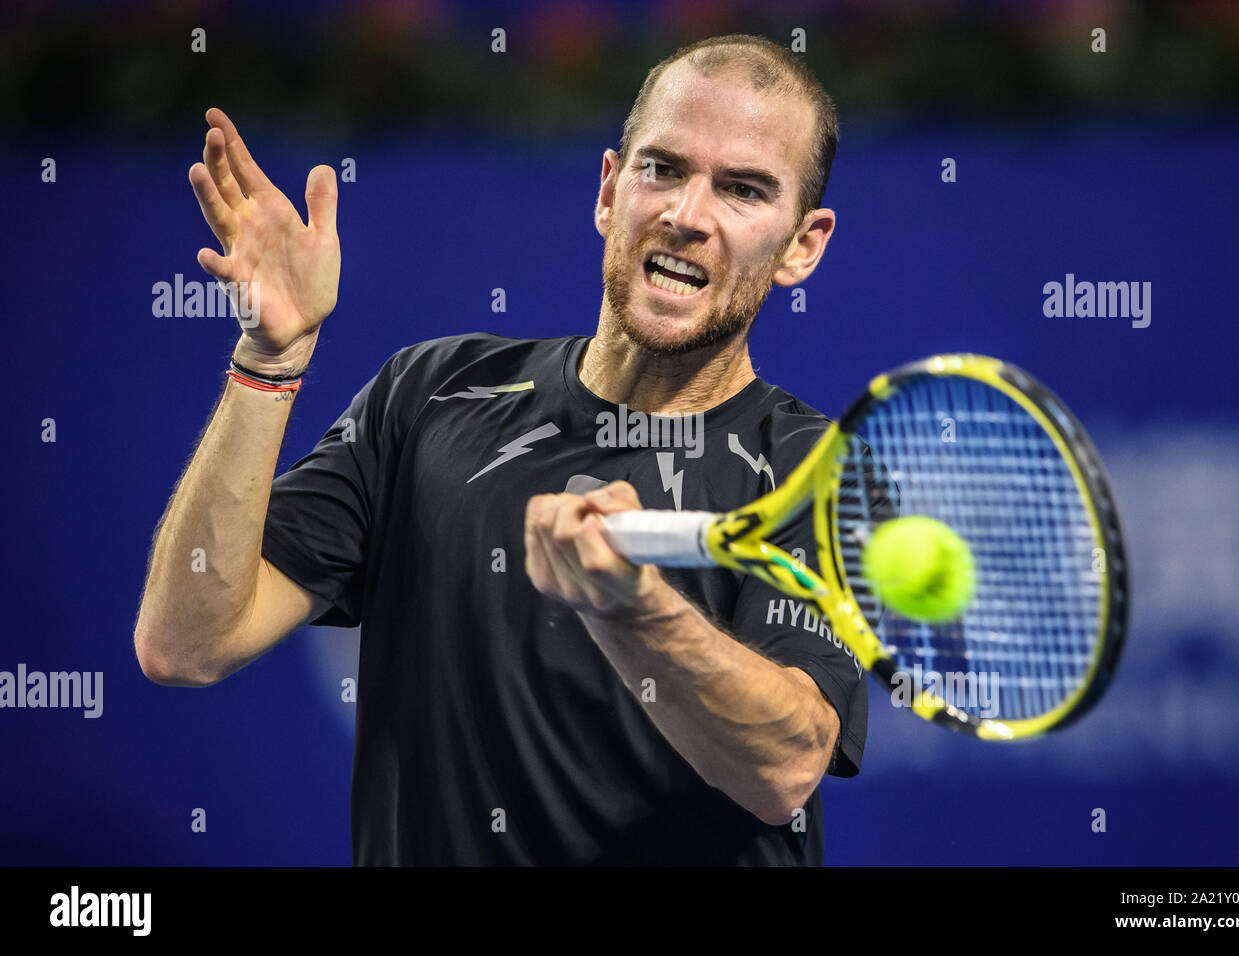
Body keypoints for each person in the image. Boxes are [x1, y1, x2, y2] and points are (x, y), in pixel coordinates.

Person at [134, 33, 882, 865]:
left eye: (742, 190)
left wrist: (634, 609)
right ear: (608, 190)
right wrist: (269, 363)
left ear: (802, 245)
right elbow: (186, 643)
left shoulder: (822, 472)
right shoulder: (428, 394)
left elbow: (782, 766)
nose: (686, 215)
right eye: (662, 169)